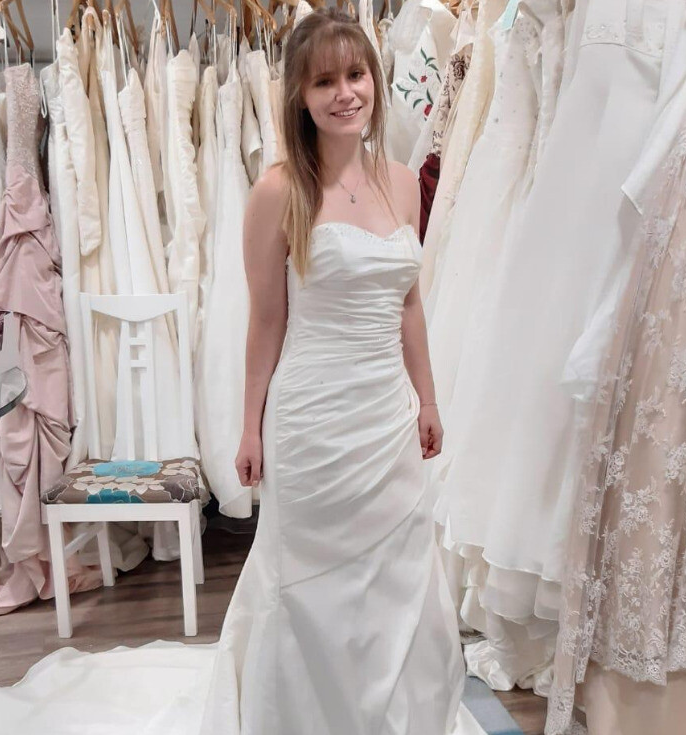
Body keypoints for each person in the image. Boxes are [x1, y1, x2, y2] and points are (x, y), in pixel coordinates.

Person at [199, 9, 481, 735]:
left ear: (374, 81)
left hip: (385, 414)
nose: (344, 93)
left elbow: (408, 302)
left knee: (395, 576)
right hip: (312, 414)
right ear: (299, 94)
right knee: (307, 578)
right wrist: (248, 426)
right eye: (324, 80)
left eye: (354, 75)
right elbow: (266, 320)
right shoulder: (277, 192)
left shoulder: (400, 181)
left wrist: (427, 398)